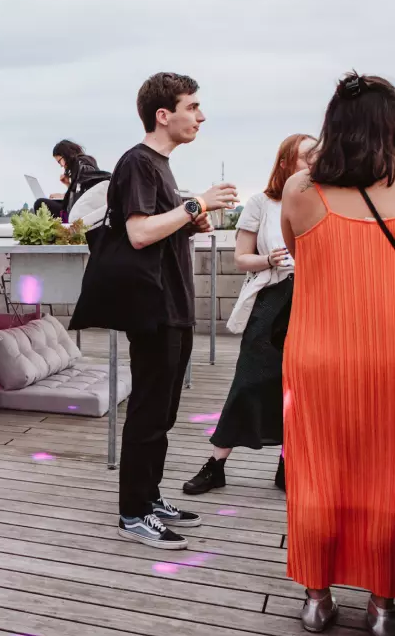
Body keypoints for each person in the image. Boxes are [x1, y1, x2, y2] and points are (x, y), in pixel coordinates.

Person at [280, 72, 394, 636]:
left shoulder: (301, 189)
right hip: (388, 353)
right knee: (386, 475)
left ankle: (317, 598)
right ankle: (382, 605)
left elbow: (298, 253)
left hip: (316, 355)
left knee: (315, 473)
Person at [108, 73, 238, 550]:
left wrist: (189, 222)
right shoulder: (138, 163)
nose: (201, 116)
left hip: (175, 307)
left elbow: (158, 227)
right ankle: (133, 513)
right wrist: (196, 204)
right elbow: (138, 232)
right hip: (153, 309)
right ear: (163, 115)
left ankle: (149, 496)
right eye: (192, 107)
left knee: (162, 414)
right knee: (148, 413)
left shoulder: (160, 165)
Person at [183, 134, 315, 496]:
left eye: (318, 155)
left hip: (313, 299)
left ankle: (288, 465)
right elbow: (241, 258)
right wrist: (268, 259)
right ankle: (216, 465)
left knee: (301, 386)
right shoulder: (262, 203)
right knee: (249, 380)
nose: (315, 162)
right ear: (286, 162)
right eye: (307, 156)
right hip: (273, 298)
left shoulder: (323, 200)